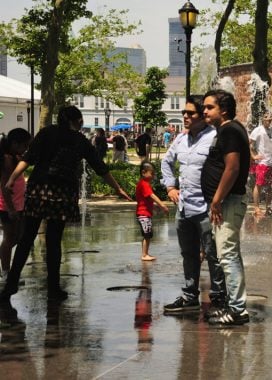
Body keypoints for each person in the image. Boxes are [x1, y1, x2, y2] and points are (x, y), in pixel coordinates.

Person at [0, 106, 132, 304]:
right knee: (54, 240)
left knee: (27, 238)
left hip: (39, 190)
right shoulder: (79, 140)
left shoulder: (46, 133)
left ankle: (11, 284)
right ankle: (53, 288)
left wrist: (12, 179)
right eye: (80, 120)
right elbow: (100, 167)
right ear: (77, 120)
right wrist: (117, 188)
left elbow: (28, 158)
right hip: (62, 193)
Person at [162, 96, 227, 316]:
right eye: (184, 113)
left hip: (207, 208)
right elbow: (166, 162)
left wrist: (219, 199)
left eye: (191, 113)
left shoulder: (215, 137)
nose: (186, 117)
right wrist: (170, 187)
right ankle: (190, 296)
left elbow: (228, 167)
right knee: (188, 254)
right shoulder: (181, 139)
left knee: (213, 255)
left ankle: (218, 297)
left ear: (202, 116)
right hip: (184, 208)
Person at [201, 89, 251, 326]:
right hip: (226, 202)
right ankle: (235, 305)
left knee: (228, 255)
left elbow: (232, 168)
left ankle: (238, 310)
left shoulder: (230, 130)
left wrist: (217, 199)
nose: (204, 111)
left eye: (209, 107)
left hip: (228, 202)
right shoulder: (227, 130)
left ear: (224, 110)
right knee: (229, 255)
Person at [0, 129, 31, 281]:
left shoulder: (15, 157)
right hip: (7, 205)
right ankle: (6, 273)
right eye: (24, 145)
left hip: (19, 203)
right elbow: (5, 186)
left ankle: (3, 256)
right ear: (14, 143)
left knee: (18, 237)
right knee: (9, 237)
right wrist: (10, 208)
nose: (26, 148)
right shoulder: (6, 159)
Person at [135, 161, 169, 261]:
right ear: (143, 172)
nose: (153, 176)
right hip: (143, 214)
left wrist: (154, 207)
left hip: (144, 213)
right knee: (147, 234)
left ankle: (145, 253)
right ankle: (144, 255)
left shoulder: (144, 184)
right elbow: (151, 196)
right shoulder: (144, 184)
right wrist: (162, 205)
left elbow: (145, 200)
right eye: (152, 173)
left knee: (147, 234)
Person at [249, 112, 272, 216]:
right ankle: (256, 208)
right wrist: (253, 156)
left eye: (271, 117)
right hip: (262, 163)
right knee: (259, 185)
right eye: (266, 117)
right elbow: (250, 144)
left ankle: (268, 208)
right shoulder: (258, 130)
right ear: (263, 119)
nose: (269, 119)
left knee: (270, 186)